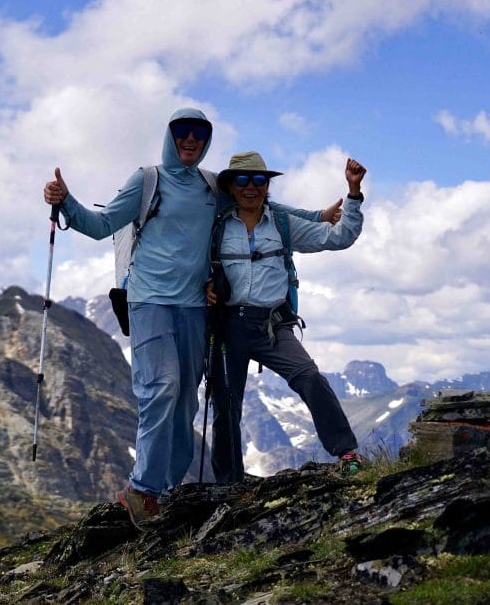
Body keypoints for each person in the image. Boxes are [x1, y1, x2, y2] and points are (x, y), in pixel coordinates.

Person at [43, 109, 337, 529]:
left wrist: (316, 217)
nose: (191, 140)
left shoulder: (209, 186)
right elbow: (101, 224)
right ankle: (142, 489)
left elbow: (258, 202)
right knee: (160, 388)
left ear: (206, 141)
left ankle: (163, 491)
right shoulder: (147, 181)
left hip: (196, 308)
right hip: (149, 302)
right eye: (183, 132)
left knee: (185, 399)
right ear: (170, 136)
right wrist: (65, 201)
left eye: (200, 134)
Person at [206, 151, 367, 482]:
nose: (251, 187)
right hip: (227, 326)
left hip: (273, 326)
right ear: (231, 187)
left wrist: (353, 194)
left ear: (267, 186)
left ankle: (347, 454)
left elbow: (340, 237)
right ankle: (228, 484)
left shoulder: (282, 225)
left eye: (259, 180)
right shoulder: (216, 228)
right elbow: (193, 267)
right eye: (242, 180)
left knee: (309, 377)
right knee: (226, 405)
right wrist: (203, 286)